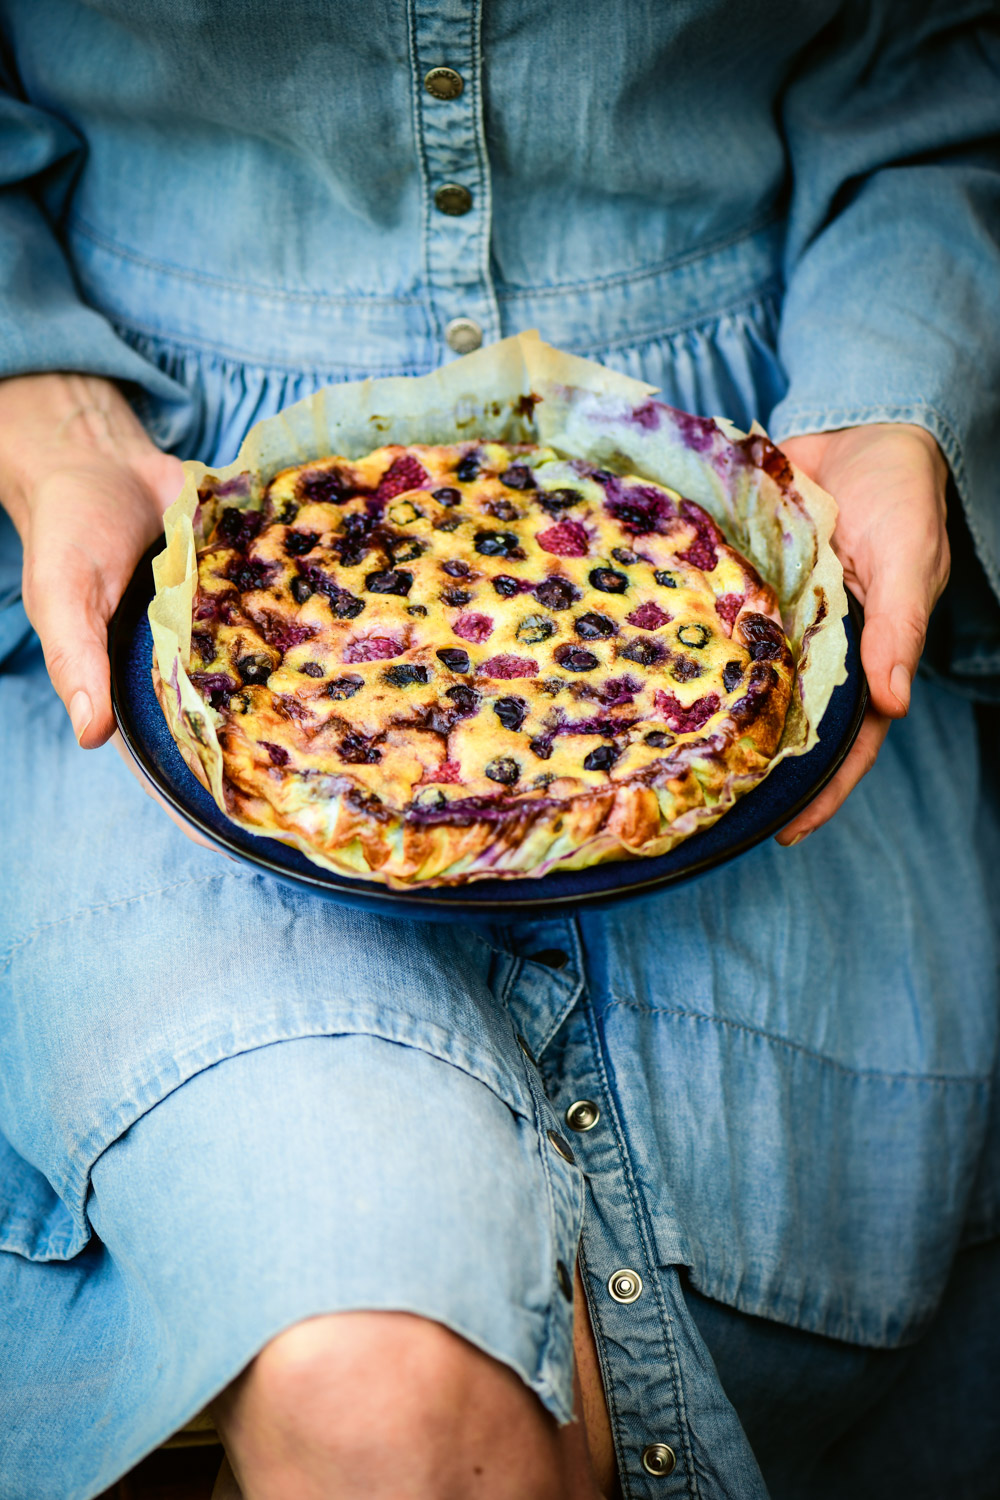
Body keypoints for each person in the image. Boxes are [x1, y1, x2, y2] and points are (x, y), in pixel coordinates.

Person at [1, 3, 999, 1497]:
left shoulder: (764, 550)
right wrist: (39, 392)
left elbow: (941, 67)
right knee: (387, 1403)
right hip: (164, 505)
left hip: (765, 494)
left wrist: (891, 398)